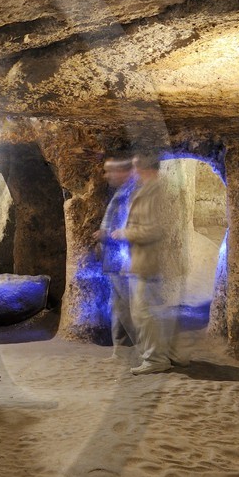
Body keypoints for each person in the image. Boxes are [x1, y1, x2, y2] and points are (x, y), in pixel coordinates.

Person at [114, 151, 180, 375]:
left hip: (148, 260)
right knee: (150, 311)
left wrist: (124, 233)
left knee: (143, 312)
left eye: (135, 167)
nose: (132, 172)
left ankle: (155, 359)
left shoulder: (156, 192)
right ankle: (165, 354)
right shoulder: (147, 190)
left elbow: (154, 229)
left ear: (145, 168)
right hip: (142, 259)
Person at [90, 155, 135, 362]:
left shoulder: (131, 193)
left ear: (122, 171)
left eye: (110, 171)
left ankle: (147, 352)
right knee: (117, 307)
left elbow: (128, 229)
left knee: (128, 308)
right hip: (113, 257)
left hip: (122, 259)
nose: (106, 175)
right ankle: (121, 351)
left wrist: (106, 236)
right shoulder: (121, 192)